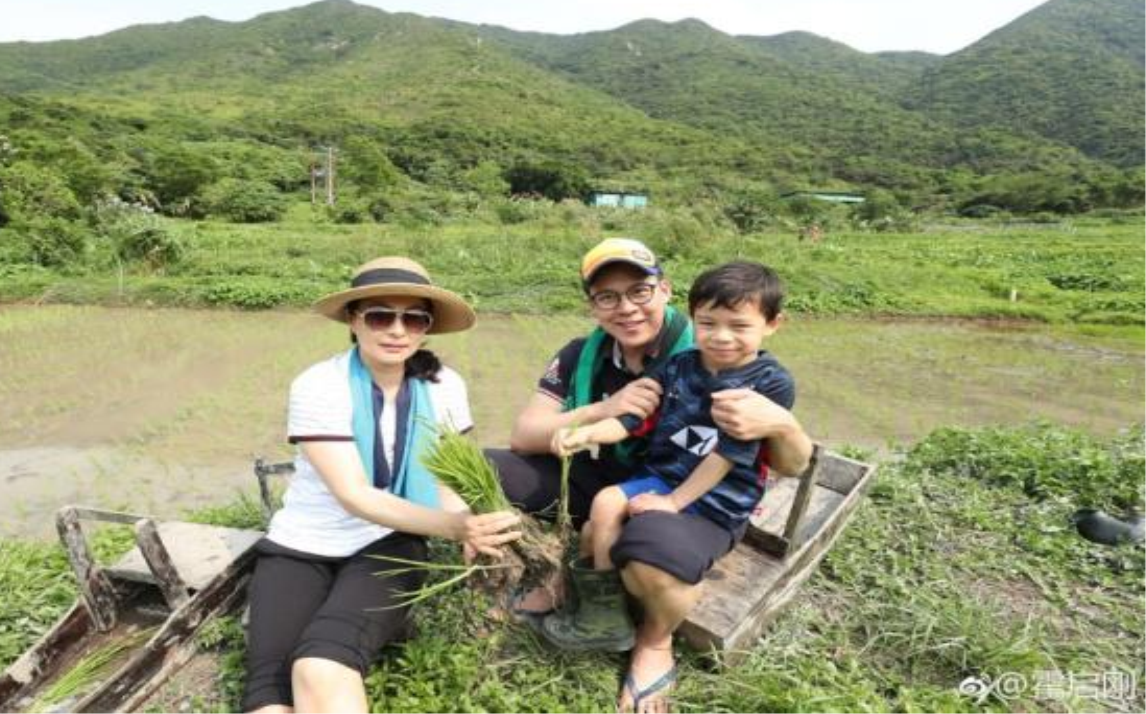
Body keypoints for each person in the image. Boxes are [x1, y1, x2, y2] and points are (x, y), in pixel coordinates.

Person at [486, 239, 815, 713]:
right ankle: (588, 596)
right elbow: (532, 433)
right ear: (593, 305)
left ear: (665, 291)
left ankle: (653, 641)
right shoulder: (592, 355)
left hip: (687, 492)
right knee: (497, 469)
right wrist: (593, 419)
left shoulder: (728, 367)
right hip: (622, 477)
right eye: (608, 296)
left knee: (646, 548)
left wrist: (780, 427)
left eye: (639, 290)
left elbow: (780, 460)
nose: (626, 308)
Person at [243, 256, 522, 714]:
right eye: (380, 315)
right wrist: (454, 528)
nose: (398, 330)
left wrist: (462, 522)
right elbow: (352, 494)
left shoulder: (444, 386)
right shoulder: (319, 384)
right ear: (354, 320)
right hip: (303, 542)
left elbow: (445, 475)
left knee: (320, 666)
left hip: (392, 540)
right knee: (267, 697)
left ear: (426, 328)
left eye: (414, 318)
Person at [552, 261, 794, 707]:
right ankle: (605, 609)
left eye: (739, 325)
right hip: (662, 476)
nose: (721, 336)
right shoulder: (680, 365)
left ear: (772, 324)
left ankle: (653, 638)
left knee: (638, 548)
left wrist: (674, 502)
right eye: (708, 323)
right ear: (693, 318)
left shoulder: (768, 383)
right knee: (604, 504)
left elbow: (726, 456)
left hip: (718, 499)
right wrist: (588, 432)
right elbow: (631, 419)